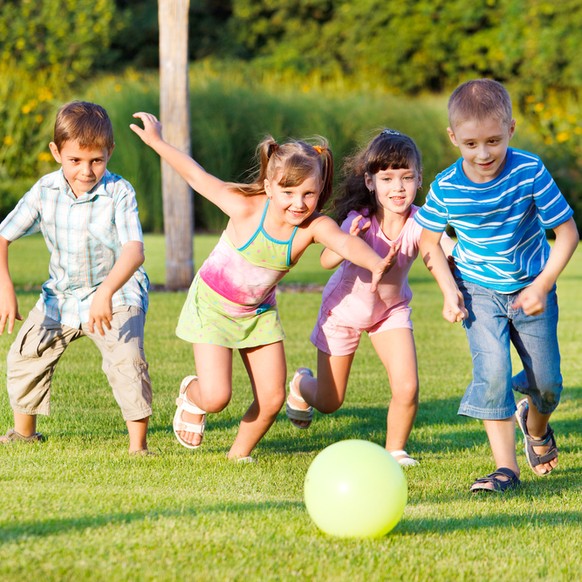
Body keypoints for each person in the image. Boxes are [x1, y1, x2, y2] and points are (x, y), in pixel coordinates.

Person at [130, 112, 394, 462]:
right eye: (288, 192)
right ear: (269, 187)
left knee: (271, 399)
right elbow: (196, 176)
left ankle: (237, 456)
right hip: (212, 307)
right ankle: (194, 396)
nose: (298, 203)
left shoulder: (312, 227)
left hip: (258, 313)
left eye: (308, 193)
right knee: (217, 396)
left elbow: (344, 244)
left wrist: (376, 263)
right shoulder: (244, 208)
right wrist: (158, 142)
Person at [415, 79, 579, 492]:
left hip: (530, 289)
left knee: (547, 384)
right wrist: (450, 290)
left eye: (493, 140)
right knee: (492, 373)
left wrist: (542, 285)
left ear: (511, 129)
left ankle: (535, 425)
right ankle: (506, 469)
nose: (483, 153)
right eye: (471, 144)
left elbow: (568, 232)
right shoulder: (447, 186)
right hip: (478, 292)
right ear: (454, 137)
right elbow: (428, 240)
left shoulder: (529, 171)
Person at [285, 129, 455, 466]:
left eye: (407, 177)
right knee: (330, 401)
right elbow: (326, 260)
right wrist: (347, 238)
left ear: (419, 179)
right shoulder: (358, 220)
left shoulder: (421, 221)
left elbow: (442, 249)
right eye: (388, 178)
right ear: (370, 181)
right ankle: (301, 383)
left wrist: (462, 268)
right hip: (343, 312)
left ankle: (395, 450)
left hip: (389, 312)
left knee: (407, 387)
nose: (398, 187)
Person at [0, 101, 153, 454]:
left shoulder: (119, 192)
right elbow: (3, 236)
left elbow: (134, 251)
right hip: (62, 294)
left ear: (109, 152)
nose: (86, 170)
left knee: (126, 360)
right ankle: (24, 435)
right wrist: (5, 287)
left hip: (117, 292)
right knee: (26, 354)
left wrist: (106, 293)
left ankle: (138, 447)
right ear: (57, 152)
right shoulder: (44, 190)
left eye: (96, 160)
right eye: (75, 160)